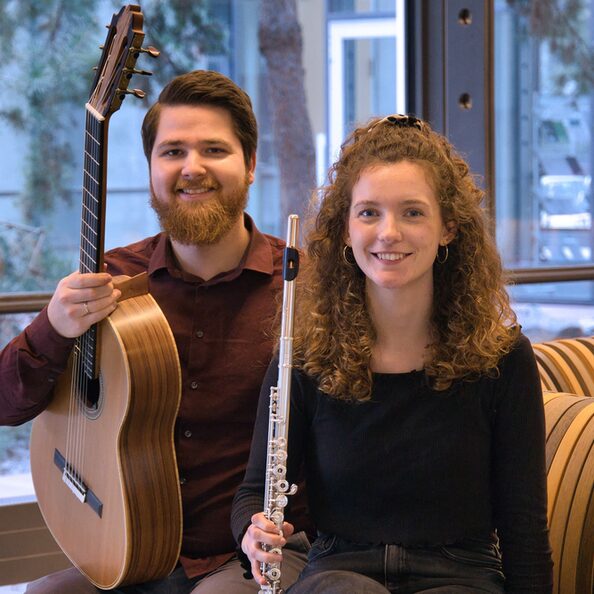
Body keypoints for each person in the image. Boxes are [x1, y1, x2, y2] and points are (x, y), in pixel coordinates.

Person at [0, 70, 310, 593]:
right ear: (150, 169)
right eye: (172, 152)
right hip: (131, 550)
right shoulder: (110, 281)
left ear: (251, 165)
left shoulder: (304, 287)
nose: (192, 168)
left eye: (214, 149)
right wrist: (54, 328)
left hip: (250, 555)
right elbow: (6, 404)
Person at [232, 115, 553, 593]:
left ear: (448, 228)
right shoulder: (305, 357)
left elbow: (524, 525)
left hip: (460, 573)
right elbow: (252, 492)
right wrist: (252, 533)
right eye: (368, 213)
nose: (388, 232)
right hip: (340, 570)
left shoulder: (503, 360)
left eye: (412, 212)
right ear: (344, 230)